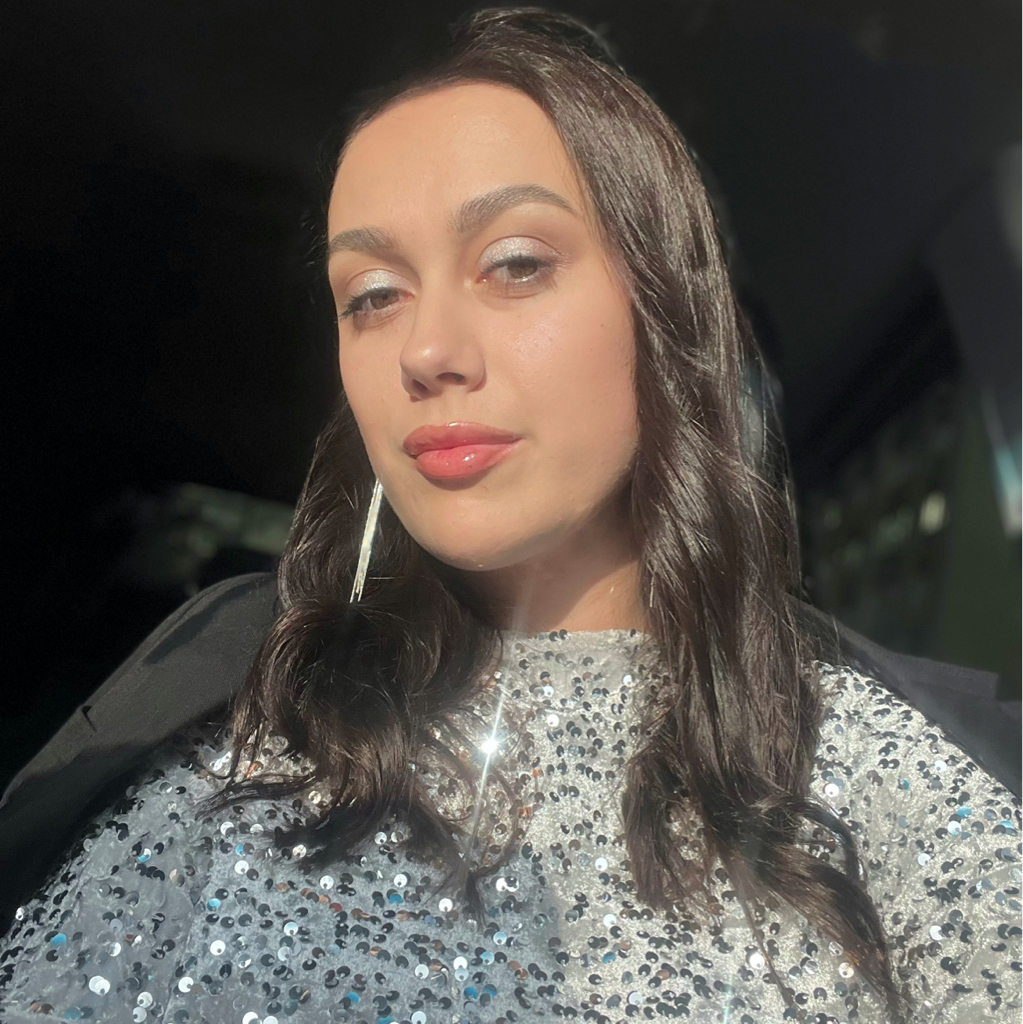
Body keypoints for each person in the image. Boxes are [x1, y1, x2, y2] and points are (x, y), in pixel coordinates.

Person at [0, 9, 1018, 1023]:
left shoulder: (897, 794)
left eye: (516, 263)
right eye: (373, 294)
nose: (424, 350)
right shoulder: (225, 762)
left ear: (664, 311)